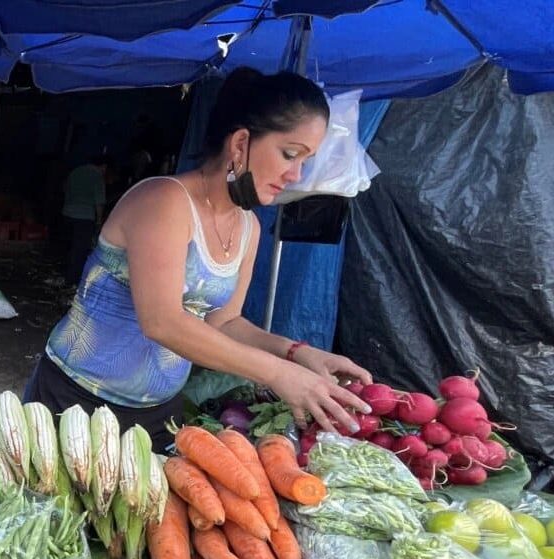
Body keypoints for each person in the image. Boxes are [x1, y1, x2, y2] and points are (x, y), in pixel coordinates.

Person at [25, 68, 373, 451]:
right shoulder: (164, 201)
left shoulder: (248, 227)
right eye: (290, 154)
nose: (296, 174)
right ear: (240, 143)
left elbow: (224, 321)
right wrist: (277, 373)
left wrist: (298, 353)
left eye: (306, 161)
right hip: (75, 404)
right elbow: (162, 321)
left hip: (158, 413)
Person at [60, 156, 109, 287]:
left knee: (69, 247)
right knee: (79, 250)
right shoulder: (97, 176)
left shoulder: (75, 171)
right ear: (103, 166)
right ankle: (73, 281)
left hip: (67, 214)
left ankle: (65, 276)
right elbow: (99, 202)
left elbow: (65, 190)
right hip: (85, 217)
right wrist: (99, 221)